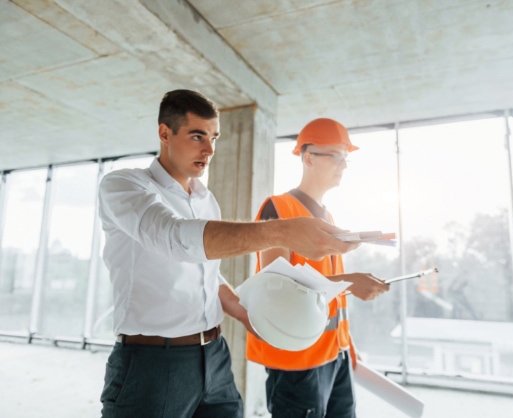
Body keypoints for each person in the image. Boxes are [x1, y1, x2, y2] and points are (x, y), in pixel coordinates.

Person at [97, 90, 360, 418]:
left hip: (215, 356)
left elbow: (205, 271)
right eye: (197, 136)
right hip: (152, 363)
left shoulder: (206, 199)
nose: (209, 149)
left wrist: (243, 312)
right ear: (165, 133)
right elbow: (175, 238)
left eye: (213, 137)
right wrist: (280, 231)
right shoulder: (124, 186)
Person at [246, 118, 390, 418]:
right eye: (336, 155)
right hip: (298, 360)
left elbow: (333, 300)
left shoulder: (329, 217)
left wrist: (346, 344)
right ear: (308, 157)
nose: (344, 165)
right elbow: (276, 287)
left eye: (346, 158)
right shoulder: (278, 208)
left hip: (334, 356)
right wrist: (350, 281)